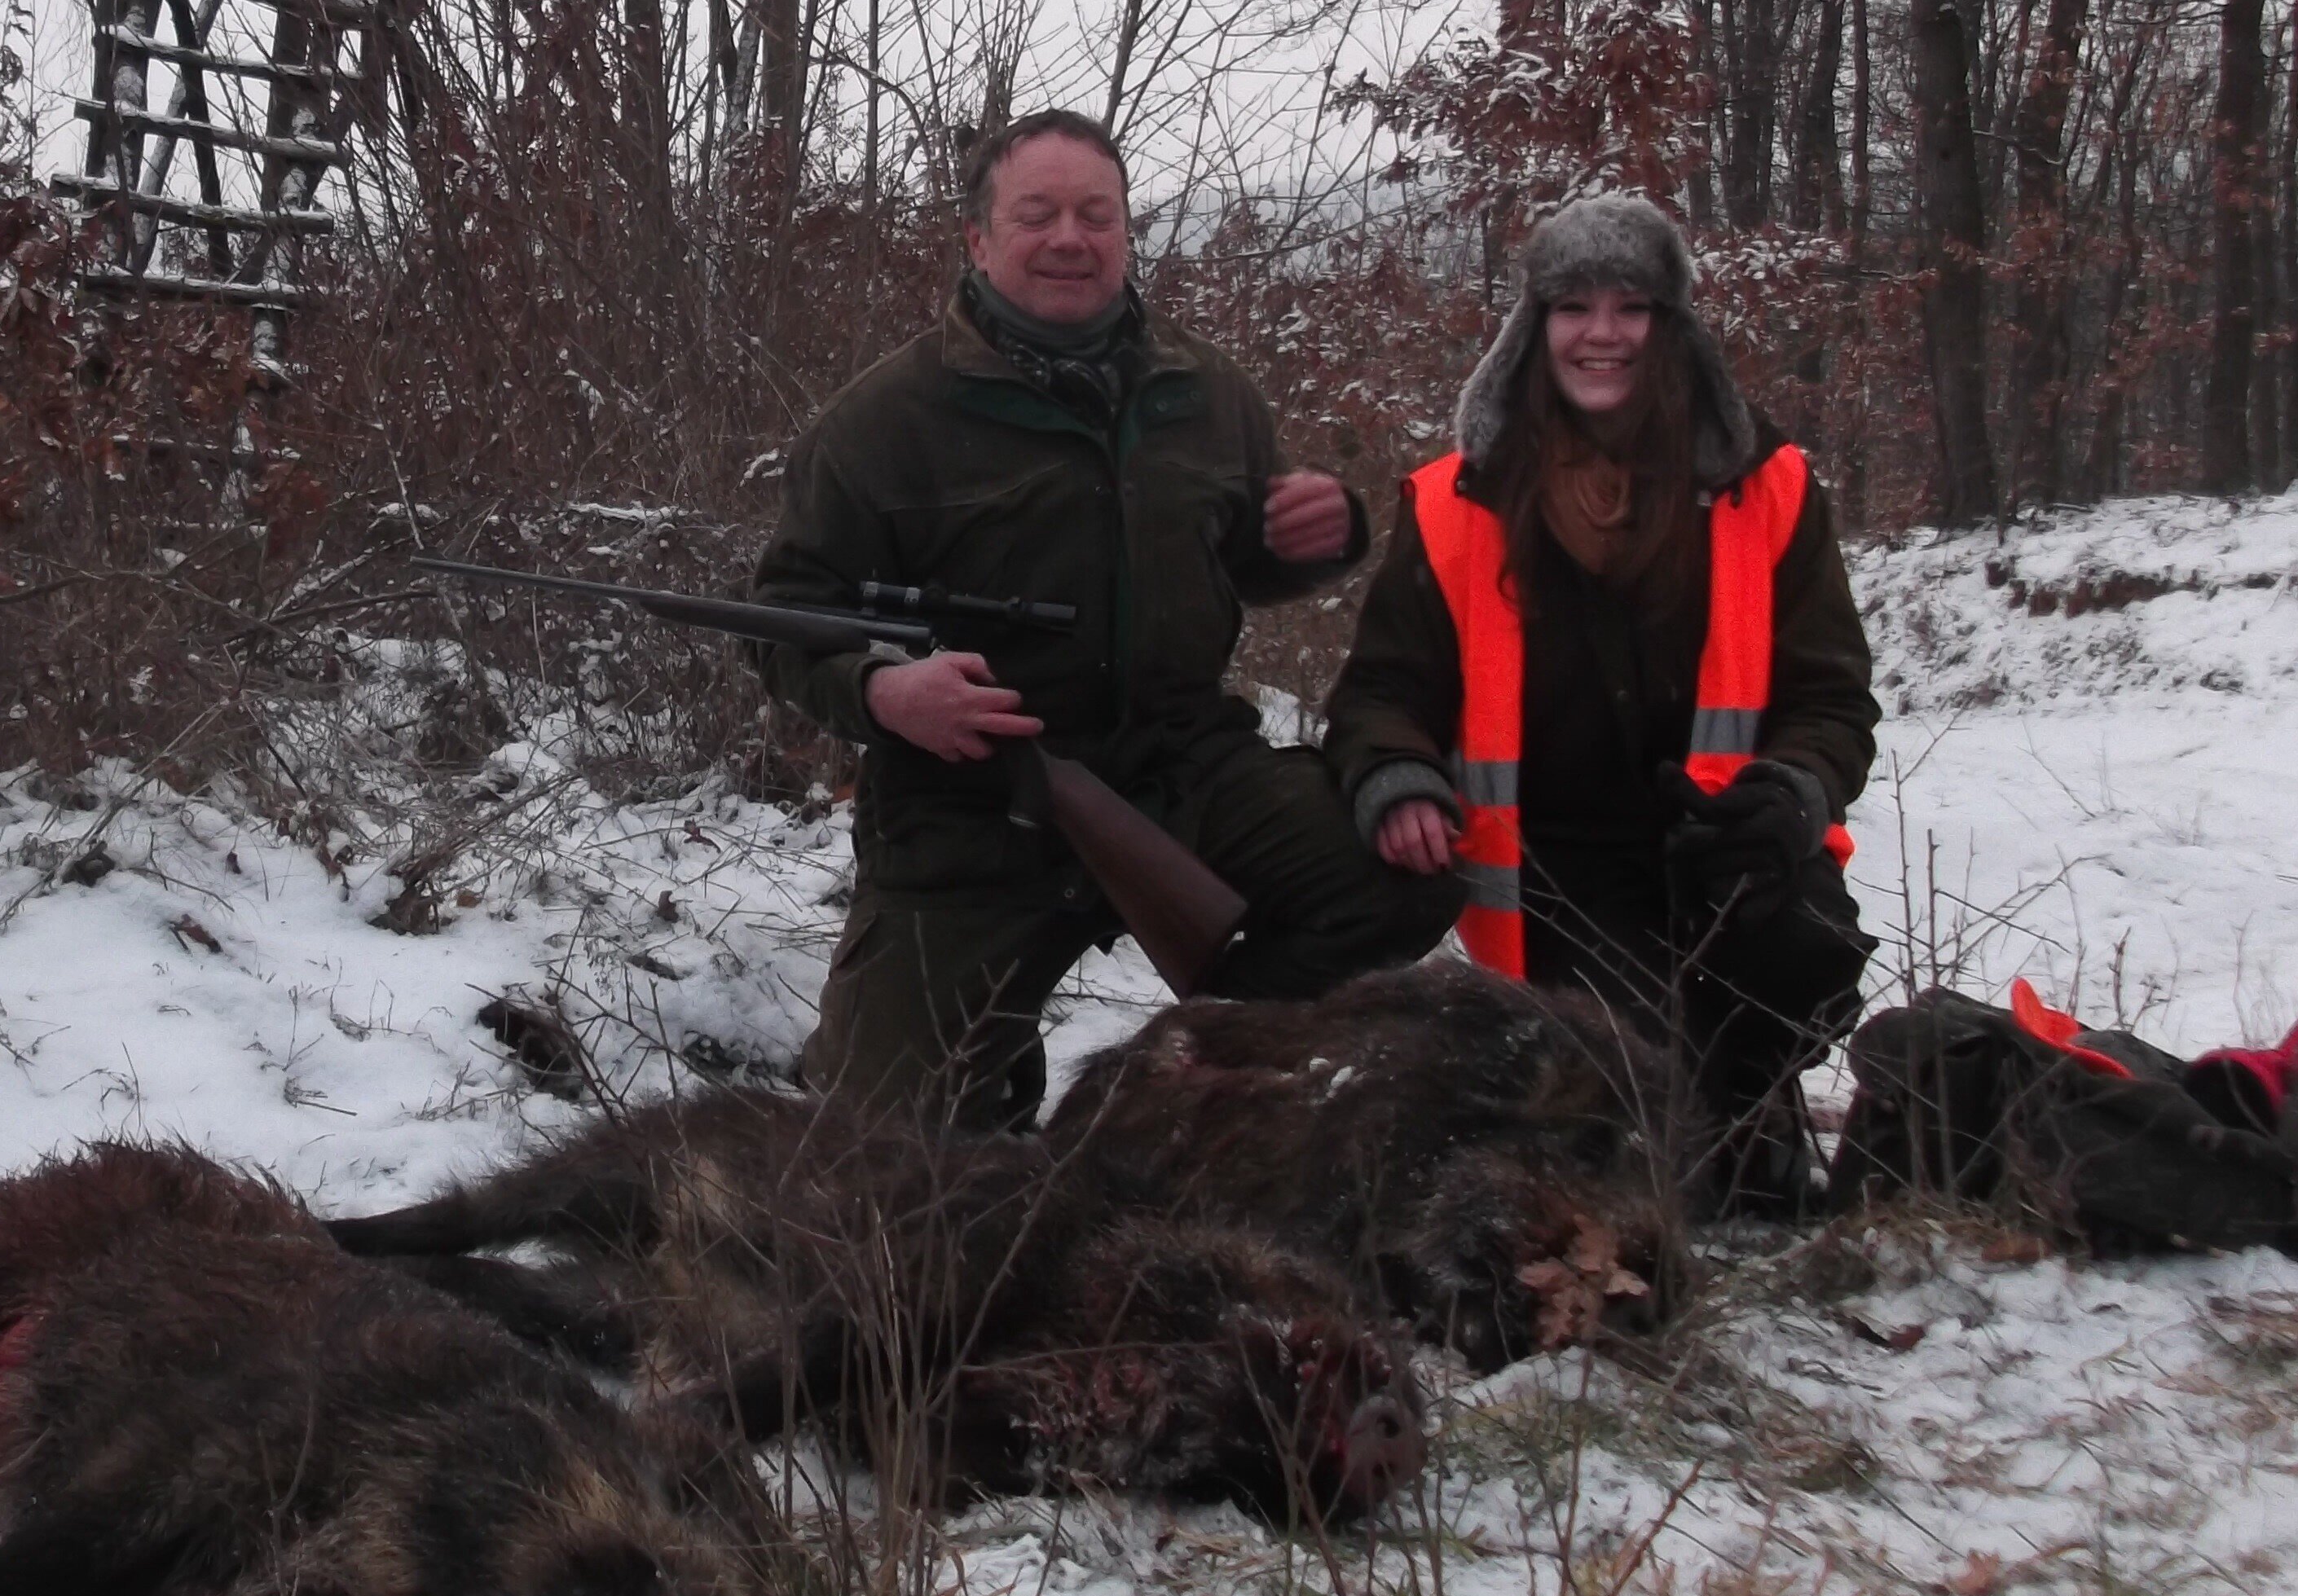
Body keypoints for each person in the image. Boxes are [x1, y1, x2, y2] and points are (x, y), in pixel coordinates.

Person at [748, 110, 1422, 1128]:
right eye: (1039, 214)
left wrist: (1318, 538)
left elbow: (1240, 564)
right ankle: (966, 1062)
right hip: (970, 800)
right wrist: (885, 692)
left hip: (1182, 765)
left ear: (1124, 232)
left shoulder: (1207, 393)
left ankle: (1209, 1082)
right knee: (885, 1150)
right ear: (978, 238)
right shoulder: (879, 423)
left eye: (1096, 214)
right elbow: (784, 620)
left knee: (1396, 882)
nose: (1071, 236)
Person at [1321, 191, 1879, 1192]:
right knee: (1633, 1105)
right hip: (1554, 873)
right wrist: (1398, 777)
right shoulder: (1457, 500)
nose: (1603, 333)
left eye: (1632, 305)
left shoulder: (1772, 486)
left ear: (1674, 325)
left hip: (1722, 850)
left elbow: (1832, 697)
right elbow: (1381, 691)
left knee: (1810, 946)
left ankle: (1760, 1096)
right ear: (1533, 327)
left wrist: (1793, 791)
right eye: (1574, 306)